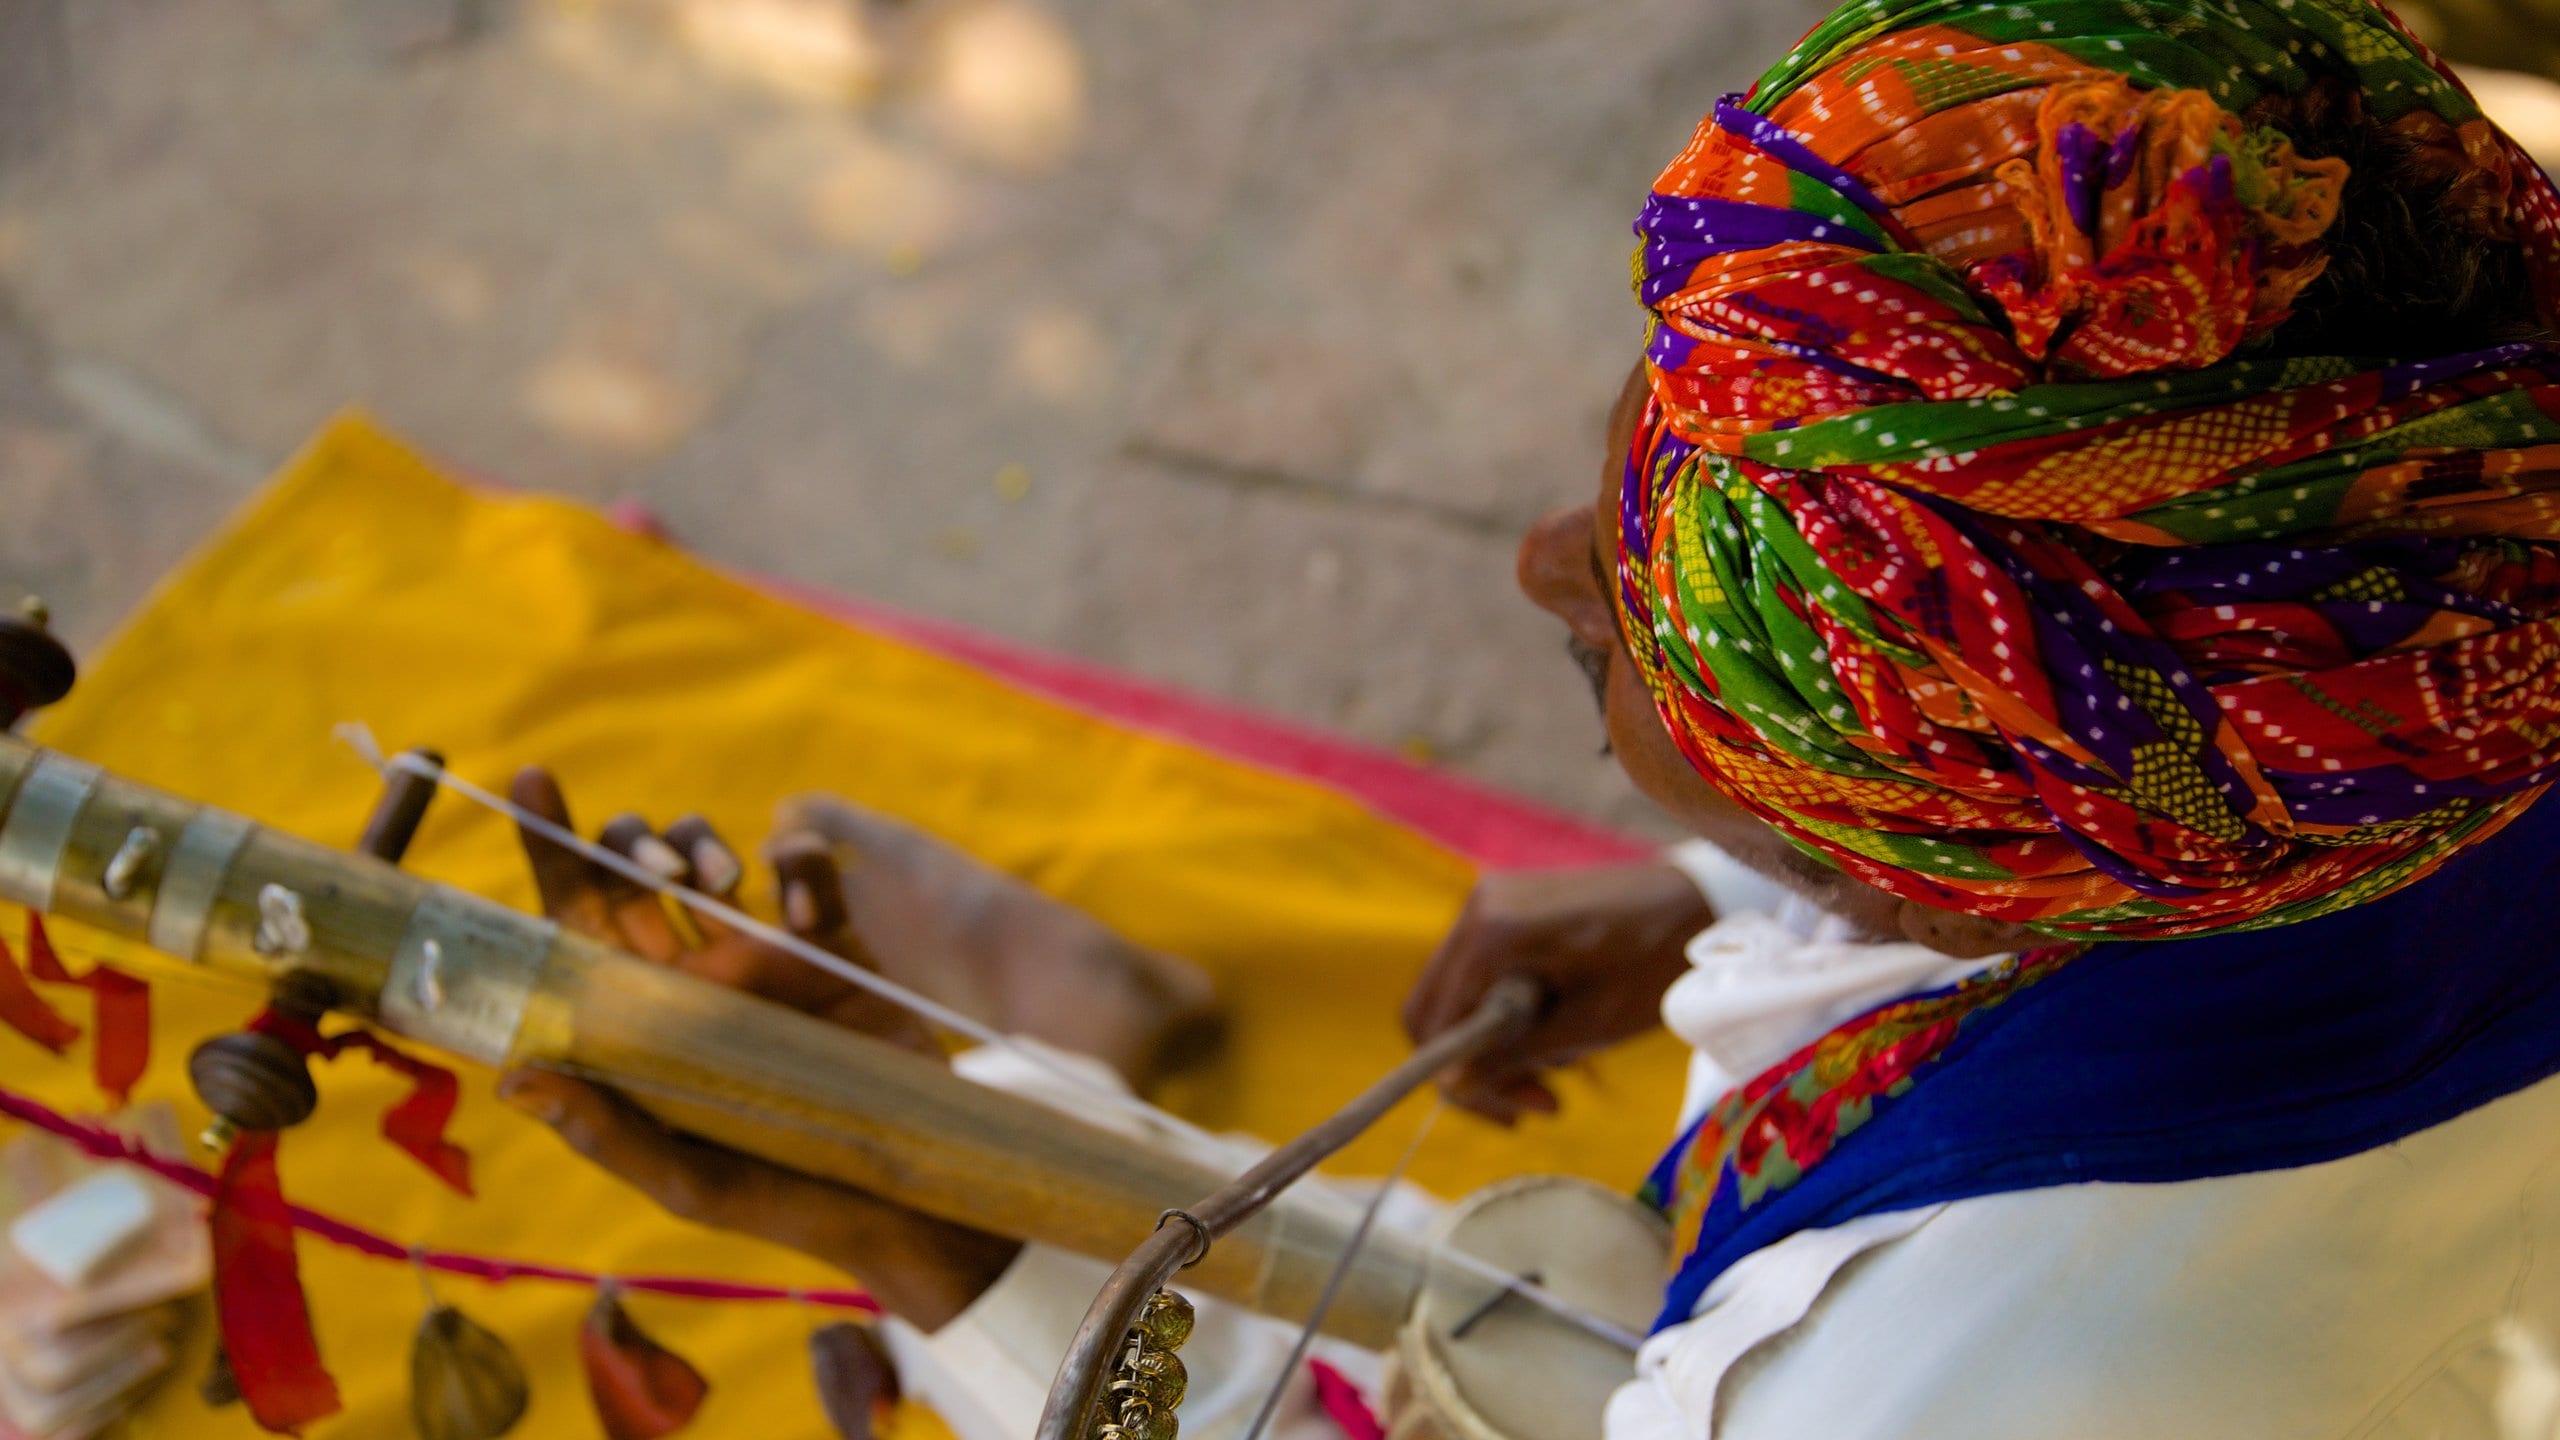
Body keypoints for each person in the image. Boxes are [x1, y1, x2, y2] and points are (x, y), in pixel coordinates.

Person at [500, 0, 2560, 1433]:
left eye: (1627, 633)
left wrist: (933, 1231)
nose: (1531, 565)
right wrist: (1711, 913)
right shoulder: (2454, 625)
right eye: (1617, 483)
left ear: (1933, 879)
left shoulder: (1921, 1391)